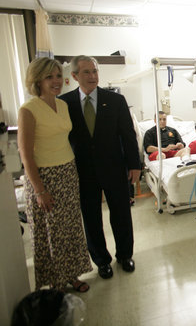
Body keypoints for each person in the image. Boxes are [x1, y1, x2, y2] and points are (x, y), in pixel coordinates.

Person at [59, 55, 140, 279]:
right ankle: (101, 260)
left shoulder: (115, 100)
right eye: (86, 72)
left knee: (121, 213)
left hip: (115, 167)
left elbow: (128, 134)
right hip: (83, 171)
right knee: (91, 217)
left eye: (95, 71)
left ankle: (125, 255)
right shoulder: (64, 103)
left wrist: (135, 165)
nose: (93, 76)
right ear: (74, 76)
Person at [18, 57, 92, 292]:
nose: (56, 81)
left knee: (70, 228)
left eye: (59, 76)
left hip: (68, 173)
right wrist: (40, 190)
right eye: (49, 77)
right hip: (45, 178)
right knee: (51, 233)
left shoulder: (62, 105)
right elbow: (26, 156)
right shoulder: (28, 110)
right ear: (37, 80)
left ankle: (72, 275)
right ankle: (55, 283)